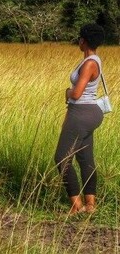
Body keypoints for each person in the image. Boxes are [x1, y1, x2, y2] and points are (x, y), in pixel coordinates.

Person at [54, 23, 106, 214]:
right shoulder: (95, 60)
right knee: (85, 158)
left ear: (83, 41)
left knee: (61, 158)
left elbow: (76, 94)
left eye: (79, 38)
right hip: (90, 113)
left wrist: (67, 92)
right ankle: (91, 204)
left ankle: (76, 206)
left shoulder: (90, 63)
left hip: (82, 113)